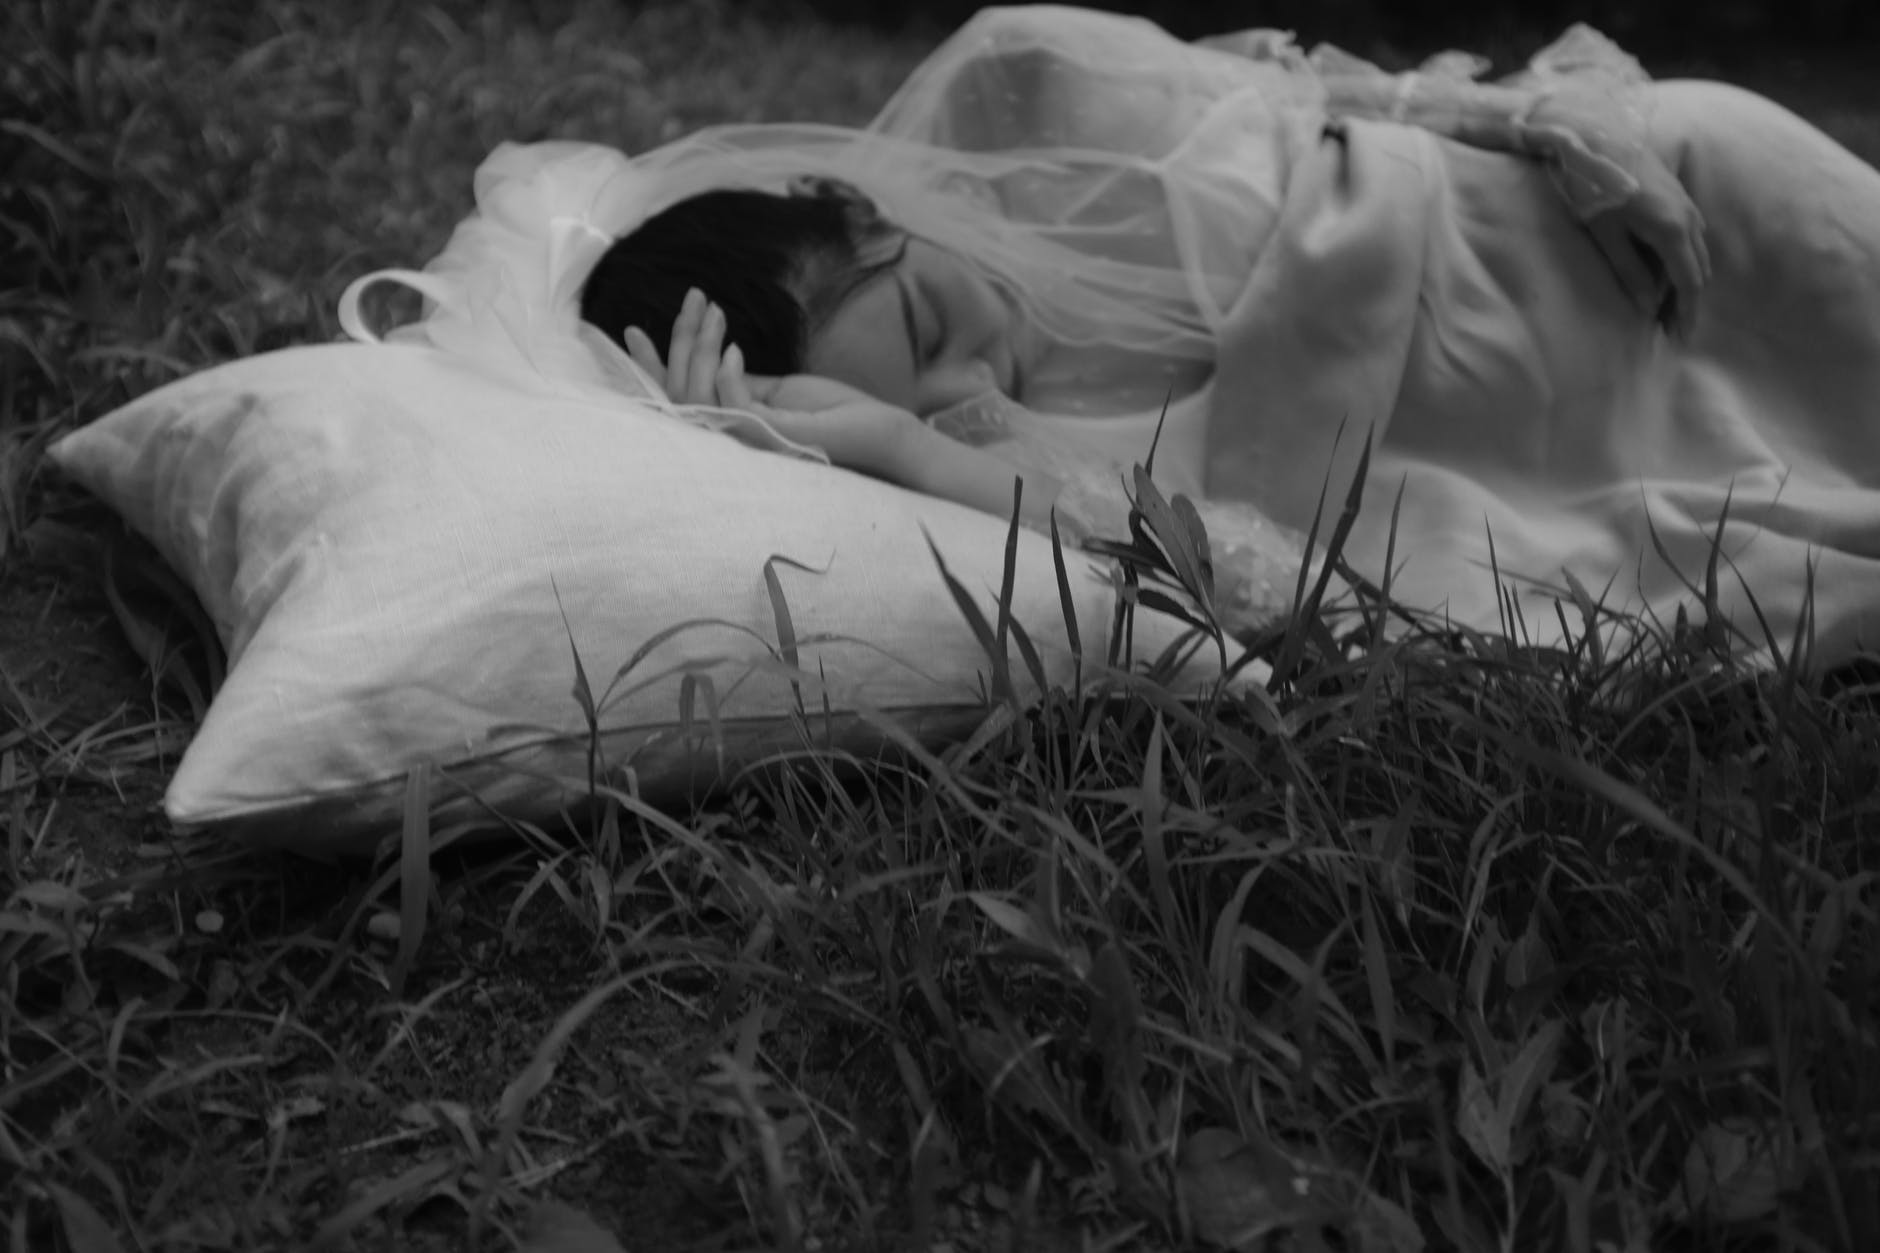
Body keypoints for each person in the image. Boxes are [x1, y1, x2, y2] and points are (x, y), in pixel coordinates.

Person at [467, 7, 1880, 658]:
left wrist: (1558, 121)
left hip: (1646, 236)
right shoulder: (975, 458)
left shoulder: (1028, 91)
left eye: (931, 317)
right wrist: (873, 443)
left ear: (862, 208)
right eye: (932, 396)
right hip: (1548, 442)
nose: (980, 382)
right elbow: (1232, 574)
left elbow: (1339, 95)